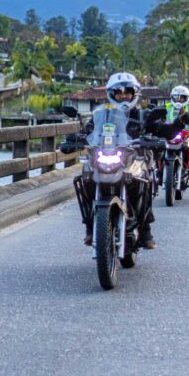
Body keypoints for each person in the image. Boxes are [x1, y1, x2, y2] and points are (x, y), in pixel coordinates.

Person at [60, 71, 164, 249]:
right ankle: (90, 227)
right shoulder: (102, 115)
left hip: (135, 158)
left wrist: (160, 136)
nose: (123, 96)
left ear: (134, 94)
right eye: (119, 93)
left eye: (127, 92)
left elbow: (158, 129)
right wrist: (75, 139)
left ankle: (145, 229)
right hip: (108, 157)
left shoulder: (142, 115)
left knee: (144, 181)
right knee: (86, 177)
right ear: (112, 95)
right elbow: (89, 131)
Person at [165, 85, 189, 186]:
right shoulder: (167, 107)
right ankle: (158, 171)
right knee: (157, 148)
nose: (179, 100)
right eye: (176, 97)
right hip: (169, 134)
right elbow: (160, 117)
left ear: (186, 98)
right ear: (172, 97)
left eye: (182, 97)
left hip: (186, 135)